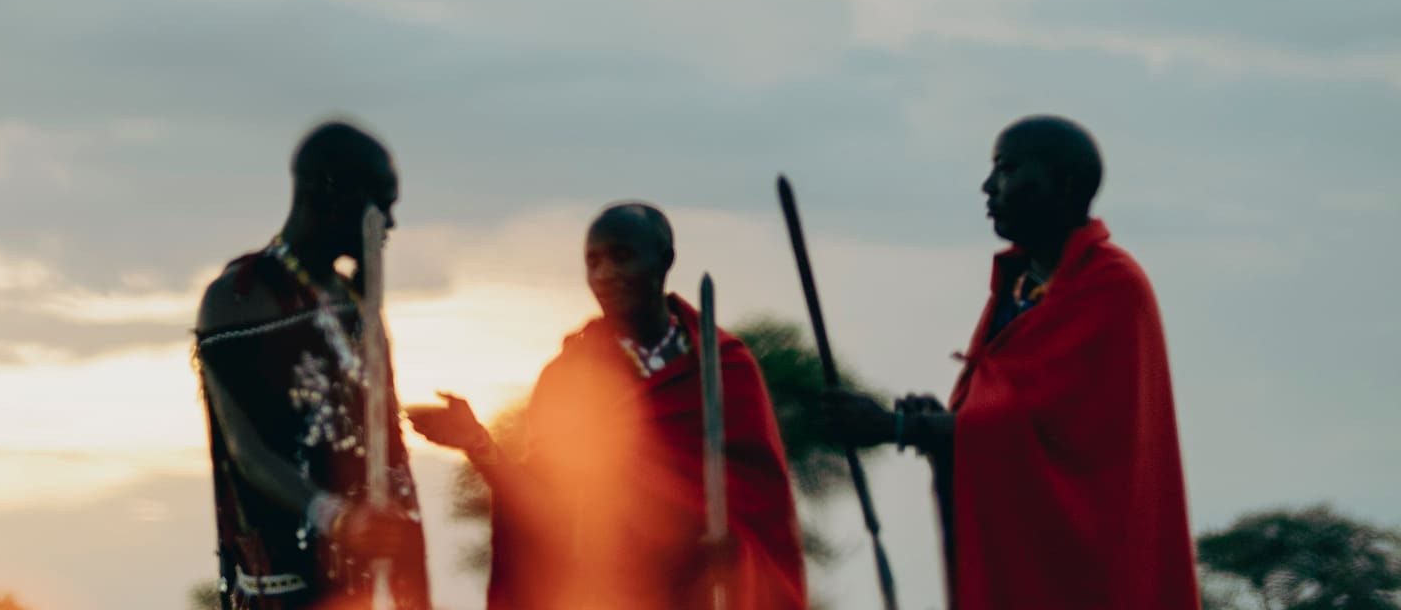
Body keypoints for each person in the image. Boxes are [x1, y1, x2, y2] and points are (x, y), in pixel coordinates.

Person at [823, 116, 1199, 610]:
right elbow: (1003, 418)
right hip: (1021, 547)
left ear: (1064, 184)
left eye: (1007, 170)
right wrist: (941, 424)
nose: (988, 187)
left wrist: (902, 427)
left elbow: (1043, 426)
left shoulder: (1111, 287)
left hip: (1085, 563)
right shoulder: (1019, 285)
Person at [407, 202, 806, 610]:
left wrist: (733, 547)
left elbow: (764, 513)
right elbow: (547, 514)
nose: (604, 276)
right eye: (592, 262)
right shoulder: (569, 378)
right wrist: (479, 445)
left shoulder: (725, 369)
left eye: (622, 258)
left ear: (664, 261)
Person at [195, 120, 430, 610]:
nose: (389, 223)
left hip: (372, 582)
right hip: (287, 590)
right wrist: (337, 519)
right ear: (332, 194)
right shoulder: (239, 298)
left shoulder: (352, 300)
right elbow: (246, 450)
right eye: (381, 205)